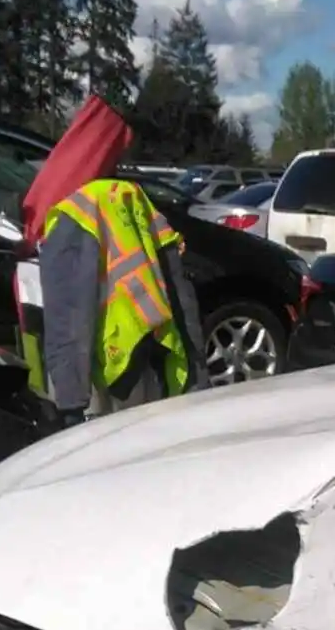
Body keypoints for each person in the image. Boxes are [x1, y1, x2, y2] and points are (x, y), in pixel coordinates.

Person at [23, 99, 209, 423]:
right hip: (152, 351)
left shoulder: (71, 216)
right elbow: (181, 293)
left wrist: (69, 401)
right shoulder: (134, 199)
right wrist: (197, 376)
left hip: (110, 368)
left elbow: (69, 316)